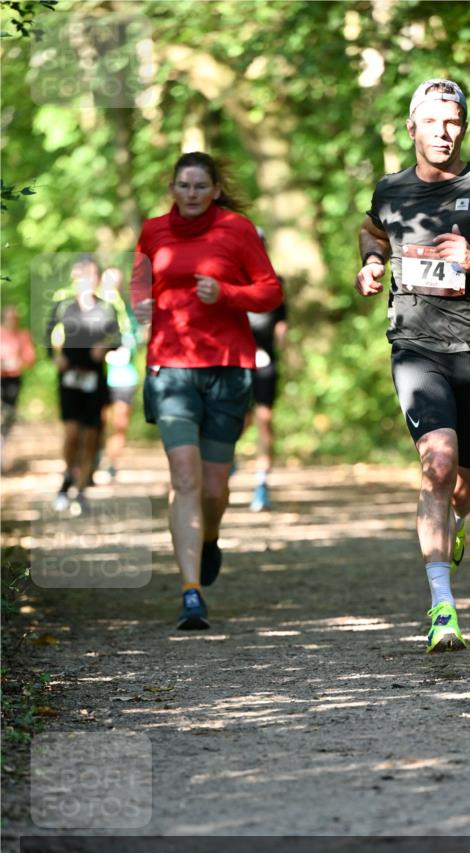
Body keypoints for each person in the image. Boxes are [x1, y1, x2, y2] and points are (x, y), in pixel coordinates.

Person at [355, 78, 470, 653]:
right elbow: (371, 229)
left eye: (454, 122)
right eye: (433, 122)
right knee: (436, 466)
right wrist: (370, 264)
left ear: (463, 127)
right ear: (411, 128)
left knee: (463, 483)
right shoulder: (391, 190)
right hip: (415, 346)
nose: (444, 132)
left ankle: (456, 525)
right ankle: (442, 607)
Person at [130, 151, 283, 631]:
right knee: (185, 478)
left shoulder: (237, 230)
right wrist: (140, 305)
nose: (191, 193)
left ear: (215, 190)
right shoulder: (153, 230)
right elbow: (139, 281)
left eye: (200, 186)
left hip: (227, 367)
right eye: (183, 185)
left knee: (215, 488)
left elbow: (271, 291)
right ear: (172, 188)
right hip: (170, 367)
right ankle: (191, 592)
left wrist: (228, 294)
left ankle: (209, 536)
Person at [46, 255, 121, 514]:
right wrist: (56, 357)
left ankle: (81, 487)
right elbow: (47, 335)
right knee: (71, 434)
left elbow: (118, 338)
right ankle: (68, 475)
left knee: (91, 436)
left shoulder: (106, 308)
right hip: (70, 378)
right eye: (81, 276)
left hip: (95, 379)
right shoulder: (64, 307)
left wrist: (106, 346)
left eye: (91, 276)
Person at [246, 228, 288, 512]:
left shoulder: (276, 282)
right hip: (235, 362)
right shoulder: (230, 280)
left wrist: (280, 345)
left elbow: (282, 322)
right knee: (238, 420)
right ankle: (224, 462)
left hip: (265, 362)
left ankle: (262, 482)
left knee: (264, 420)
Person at [99, 266, 143, 479]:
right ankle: (93, 456)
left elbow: (138, 339)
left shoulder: (129, 312)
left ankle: (111, 463)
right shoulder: (91, 308)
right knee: (96, 423)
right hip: (98, 375)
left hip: (123, 376)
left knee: (119, 423)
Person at [0, 304, 36, 472]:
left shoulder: (22, 336)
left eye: (15, 318)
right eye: (9, 318)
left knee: (8, 415)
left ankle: (2, 450)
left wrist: (18, 362)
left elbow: (30, 358)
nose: (12, 321)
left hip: (13, 380)